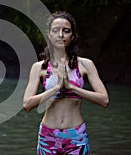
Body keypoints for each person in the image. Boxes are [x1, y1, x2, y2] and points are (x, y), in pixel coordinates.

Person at [23, 11, 109, 155]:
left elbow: (104, 100)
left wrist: (71, 87)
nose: (61, 35)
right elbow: (27, 104)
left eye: (66, 31)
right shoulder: (39, 67)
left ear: (73, 35)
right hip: (47, 136)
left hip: (76, 137)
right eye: (56, 30)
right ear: (49, 35)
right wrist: (56, 88)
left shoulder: (85, 65)